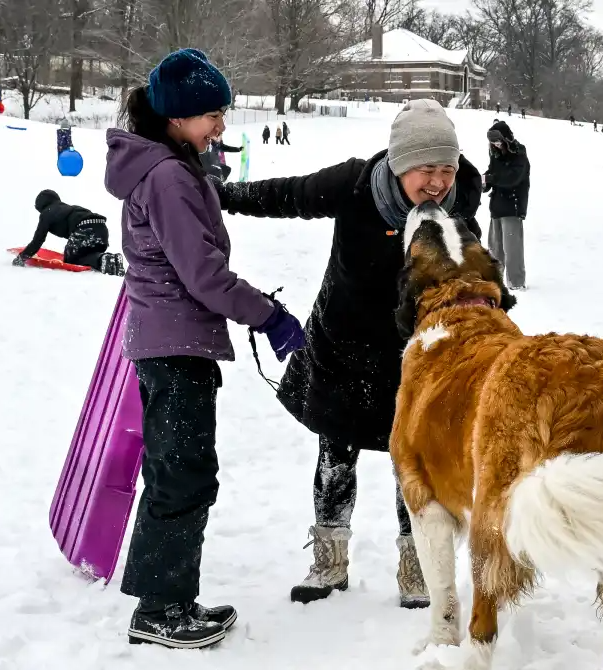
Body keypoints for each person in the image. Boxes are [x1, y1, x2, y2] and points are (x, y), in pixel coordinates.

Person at [215, 99, 484, 608]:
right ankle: (328, 564)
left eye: (446, 170)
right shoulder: (356, 185)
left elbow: (471, 281)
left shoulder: (461, 207)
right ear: (400, 164)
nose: (437, 183)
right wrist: (219, 195)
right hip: (343, 347)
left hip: (415, 359)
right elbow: (287, 195)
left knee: (416, 465)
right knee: (335, 456)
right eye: (426, 169)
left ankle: (418, 567)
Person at [103, 48, 306, 649]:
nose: (221, 125)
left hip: (170, 340)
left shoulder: (169, 166)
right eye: (212, 115)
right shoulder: (167, 176)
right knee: (183, 473)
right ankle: (160, 611)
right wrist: (269, 315)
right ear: (176, 117)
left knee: (178, 469)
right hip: (175, 344)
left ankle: (166, 601)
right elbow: (204, 276)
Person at [13, 189, 124, 275]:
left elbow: (38, 240)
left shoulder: (47, 213)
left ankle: (103, 259)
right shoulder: (68, 208)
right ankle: (109, 259)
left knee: (72, 258)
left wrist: (22, 258)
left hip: (85, 229)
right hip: (102, 229)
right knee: (85, 253)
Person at [483, 120, 529, 290]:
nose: (496, 144)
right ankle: (495, 281)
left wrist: (492, 178)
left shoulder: (519, 154)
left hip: (512, 206)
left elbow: (512, 178)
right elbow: (492, 172)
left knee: (512, 249)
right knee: (495, 249)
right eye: (493, 142)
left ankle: (516, 282)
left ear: (506, 138)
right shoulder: (495, 155)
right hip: (496, 206)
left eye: (498, 141)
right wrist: (484, 182)